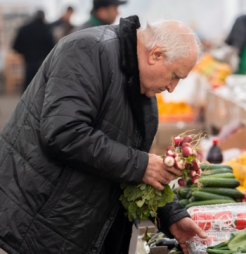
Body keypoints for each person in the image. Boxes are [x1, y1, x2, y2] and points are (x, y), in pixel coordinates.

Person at [0, 16, 206, 254]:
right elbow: (64, 133)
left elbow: (127, 158)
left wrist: (172, 215)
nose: (173, 88)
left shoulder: (139, 83)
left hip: (80, 224)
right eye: (175, 76)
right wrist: (141, 164)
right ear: (155, 54)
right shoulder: (87, 50)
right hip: (42, 225)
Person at [12, 10, 55, 92]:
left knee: (28, 88)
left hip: (29, 61)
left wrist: (25, 53)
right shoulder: (47, 29)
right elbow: (52, 47)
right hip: (43, 62)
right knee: (42, 88)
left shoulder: (24, 29)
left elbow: (15, 46)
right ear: (44, 17)